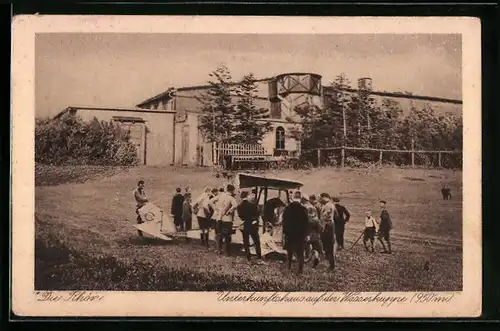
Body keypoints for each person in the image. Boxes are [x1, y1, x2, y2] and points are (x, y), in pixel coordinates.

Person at [282, 191, 309, 274]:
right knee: (300, 253)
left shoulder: (287, 208)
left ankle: (289, 266)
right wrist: (305, 234)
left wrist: (285, 232)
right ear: (300, 198)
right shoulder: (303, 209)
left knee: (290, 250)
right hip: (300, 234)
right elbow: (306, 223)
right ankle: (300, 270)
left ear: (293, 198)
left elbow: (284, 222)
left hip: (290, 234)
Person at [237, 191, 264, 264]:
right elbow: (258, 213)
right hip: (253, 224)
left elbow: (241, 216)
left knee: (245, 241)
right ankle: (259, 257)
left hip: (245, 224)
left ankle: (248, 258)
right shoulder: (252, 205)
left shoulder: (239, 206)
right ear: (248, 196)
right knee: (256, 241)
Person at [215, 184, 238, 256]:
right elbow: (235, 205)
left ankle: (219, 249)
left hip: (219, 218)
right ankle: (226, 252)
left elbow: (212, 203)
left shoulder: (220, 196)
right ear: (232, 190)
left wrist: (218, 211)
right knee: (227, 236)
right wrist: (229, 211)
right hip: (227, 219)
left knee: (219, 234)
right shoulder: (231, 198)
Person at [301, 194, 323, 268]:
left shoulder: (306, 219)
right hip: (316, 236)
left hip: (308, 236)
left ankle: (306, 258)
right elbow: (320, 228)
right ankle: (316, 257)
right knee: (315, 249)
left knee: (305, 246)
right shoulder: (316, 220)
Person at [319, 193, 335, 271]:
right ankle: (329, 264)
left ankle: (331, 265)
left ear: (326, 197)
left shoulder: (328, 205)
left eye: (321, 198)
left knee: (328, 246)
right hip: (327, 226)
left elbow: (325, 216)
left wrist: (321, 225)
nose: (320, 199)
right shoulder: (326, 205)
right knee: (327, 246)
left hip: (327, 226)